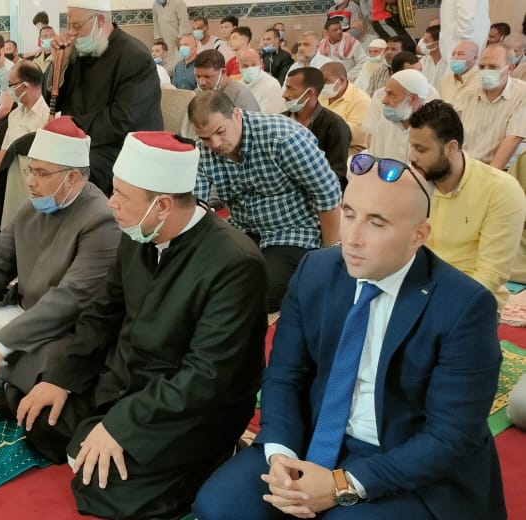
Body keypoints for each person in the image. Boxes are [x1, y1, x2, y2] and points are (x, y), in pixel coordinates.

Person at [193, 154, 507, 520]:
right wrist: (280, 454)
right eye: (349, 213)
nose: (352, 238)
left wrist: (341, 484)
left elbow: (449, 437)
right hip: (312, 437)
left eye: (376, 223)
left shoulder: (463, 306)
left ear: (418, 236)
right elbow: (284, 374)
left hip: (403, 461)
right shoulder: (315, 271)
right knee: (219, 507)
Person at [13, 131, 267, 519]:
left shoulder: (235, 263)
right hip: (127, 380)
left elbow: (207, 377)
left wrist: (122, 425)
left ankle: (219, 457)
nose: (110, 203)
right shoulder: (139, 232)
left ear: (162, 205)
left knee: (106, 489)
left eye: (121, 195)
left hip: (188, 407)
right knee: (40, 420)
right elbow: (104, 314)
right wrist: (61, 378)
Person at [0, 117, 118, 396]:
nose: (30, 181)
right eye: (30, 169)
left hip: (59, 328)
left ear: (72, 177)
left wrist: (3, 342)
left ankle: (7, 369)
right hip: (21, 311)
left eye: (41, 173)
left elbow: (72, 298)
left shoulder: (101, 220)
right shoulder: (31, 208)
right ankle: (8, 373)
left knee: (56, 360)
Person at [191, 90, 342, 312]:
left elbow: (327, 194)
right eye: (205, 138)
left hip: (292, 230)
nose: (214, 144)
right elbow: (197, 204)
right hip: (243, 226)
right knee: (201, 277)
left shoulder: (284, 137)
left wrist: (327, 255)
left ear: (236, 114)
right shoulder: (202, 149)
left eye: (220, 132)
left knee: (261, 292)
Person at [408, 100, 526, 309]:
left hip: (469, 305)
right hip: (416, 295)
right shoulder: (410, 182)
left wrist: (432, 303)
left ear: (451, 148)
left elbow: (490, 275)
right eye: (412, 147)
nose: (412, 157)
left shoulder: (500, 190)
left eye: (421, 149)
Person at [48, 0, 163, 195]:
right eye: (69, 26)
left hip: (122, 146)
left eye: (76, 26)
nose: (71, 33)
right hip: (83, 141)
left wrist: (72, 127)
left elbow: (122, 119)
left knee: (68, 172)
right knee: (25, 151)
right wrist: (61, 62)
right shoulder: (79, 50)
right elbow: (52, 101)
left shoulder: (135, 56)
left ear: (100, 20)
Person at [453, 44, 526, 170]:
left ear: (510, 68)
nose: (486, 71)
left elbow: (513, 138)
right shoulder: (468, 93)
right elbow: (452, 131)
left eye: (493, 67)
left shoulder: (522, 94)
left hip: (499, 171)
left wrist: (489, 176)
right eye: (481, 67)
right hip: (464, 166)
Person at [284, 67, 353, 188]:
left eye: (290, 88)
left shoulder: (335, 126)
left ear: (309, 93)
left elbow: (336, 173)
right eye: (286, 87)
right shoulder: (282, 120)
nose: (284, 94)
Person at [0, 61, 49, 198]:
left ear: (24, 86)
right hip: (10, 176)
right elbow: (4, 150)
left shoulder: (48, 117)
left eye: (10, 85)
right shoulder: (15, 115)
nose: (9, 90)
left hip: (32, 185)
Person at [364, 69, 429, 161]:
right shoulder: (384, 123)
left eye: (391, 95)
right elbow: (375, 161)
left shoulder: (430, 130)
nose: (384, 101)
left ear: (413, 99)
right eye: (386, 94)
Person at [321, 61, 372, 154]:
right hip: (323, 144)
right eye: (321, 81)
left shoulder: (361, 100)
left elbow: (351, 133)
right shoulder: (321, 95)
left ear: (342, 81)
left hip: (350, 149)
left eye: (326, 81)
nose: (322, 85)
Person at [195, 49, 260, 112]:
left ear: (223, 72)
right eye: (198, 76)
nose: (202, 83)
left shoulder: (241, 96)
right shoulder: (198, 93)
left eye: (207, 77)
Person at [240, 49, 286, 114]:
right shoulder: (239, 85)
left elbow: (269, 116)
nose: (250, 69)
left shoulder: (272, 85)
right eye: (245, 66)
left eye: (253, 65)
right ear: (239, 67)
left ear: (261, 64)